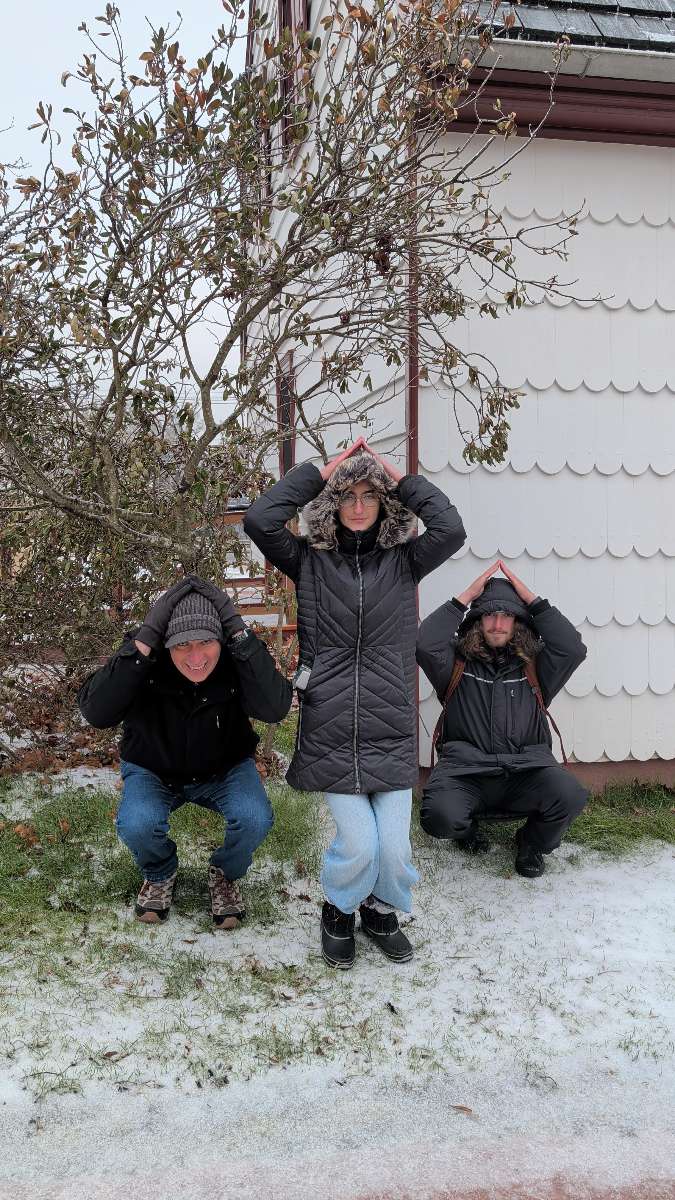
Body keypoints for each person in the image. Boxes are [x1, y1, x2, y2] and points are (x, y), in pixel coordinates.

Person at [244, 438, 466, 967]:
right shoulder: (309, 561)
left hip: (389, 721)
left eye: (371, 495)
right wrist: (322, 472)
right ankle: (338, 911)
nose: (360, 505)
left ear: (385, 503)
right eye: (349, 496)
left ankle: (381, 910)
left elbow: (452, 529)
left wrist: (398, 475)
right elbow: (259, 520)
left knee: (393, 848)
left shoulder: (406, 560)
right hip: (332, 723)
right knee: (360, 844)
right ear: (333, 503)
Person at [78, 576, 292, 926]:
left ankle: (224, 873)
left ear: (221, 640)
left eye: (207, 642)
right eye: (182, 645)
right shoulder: (144, 661)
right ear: (165, 644)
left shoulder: (236, 659)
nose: (196, 658)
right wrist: (144, 638)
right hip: (154, 769)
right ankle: (160, 871)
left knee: (254, 817)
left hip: (224, 769)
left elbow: (275, 708)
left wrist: (238, 630)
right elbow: (96, 712)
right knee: (138, 823)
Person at [416, 560, 589, 877]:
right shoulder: (455, 663)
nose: (497, 624)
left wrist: (534, 601)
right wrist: (465, 597)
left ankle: (531, 843)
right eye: (489, 615)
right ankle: (465, 832)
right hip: (466, 773)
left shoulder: (536, 665)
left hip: (527, 771)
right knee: (438, 816)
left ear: (518, 621)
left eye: (506, 615)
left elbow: (572, 648)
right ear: (478, 621)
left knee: (570, 795)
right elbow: (424, 642)